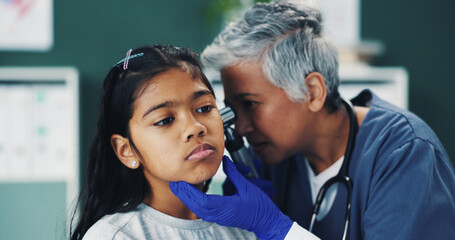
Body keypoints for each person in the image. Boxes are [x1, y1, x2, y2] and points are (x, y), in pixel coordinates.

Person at [170, 1, 455, 239]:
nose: (241, 128)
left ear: (313, 91)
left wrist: (274, 226)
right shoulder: (274, 160)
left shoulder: (404, 153)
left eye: (251, 104)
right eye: (233, 109)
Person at [69, 44, 260, 239]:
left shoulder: (244, 228)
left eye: (204, 108)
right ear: (126, 150)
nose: (195, 127)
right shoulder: (116, 236)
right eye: (165, 120)